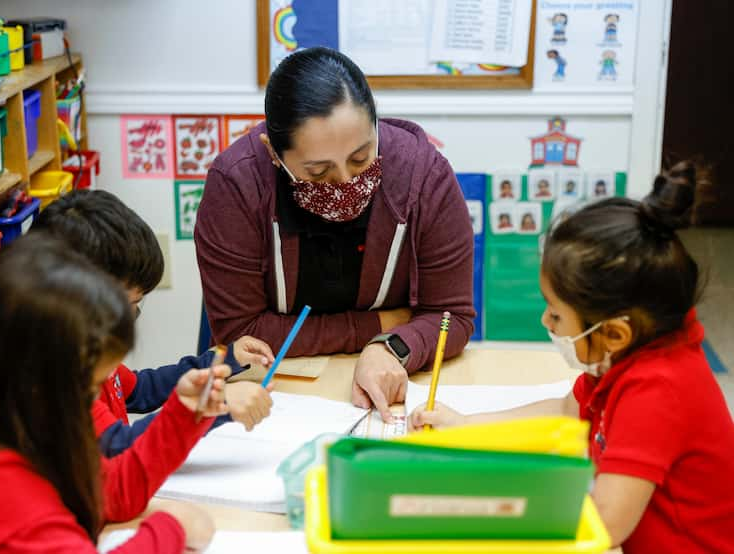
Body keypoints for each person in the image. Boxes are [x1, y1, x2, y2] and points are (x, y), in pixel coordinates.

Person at [411, 162, 734, 553]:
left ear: (615, 333)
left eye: (556, 313)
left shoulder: (658, 391)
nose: (545, 320)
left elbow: (603, 525)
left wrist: (491, 504)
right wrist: (465, 426)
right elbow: (569, 408)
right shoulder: (630, 351)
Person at [195, 47, 475, 422]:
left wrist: (390, 347)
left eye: (361, 158)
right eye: (318, 171)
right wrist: (379, 324)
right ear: (274, 154)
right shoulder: (237, 184)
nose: (346, 181)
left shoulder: (423, 175)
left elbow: (451, 316)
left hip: (380, 384)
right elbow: (243, 335)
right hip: (273, 391)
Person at [0, 236, 227, 553]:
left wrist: (184, 414)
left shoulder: (33, 431)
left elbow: (111, 494)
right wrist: (170, 530)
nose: (95, 403)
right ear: (30, 381)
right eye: (88, 389)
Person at [33, 190, 275, 457]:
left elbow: (140, 390)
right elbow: (116, 446)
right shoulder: (51, 378)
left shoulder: (92, 356)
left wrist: (223, 360)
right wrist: (212, 405)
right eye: (125, 307)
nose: (128, 324)